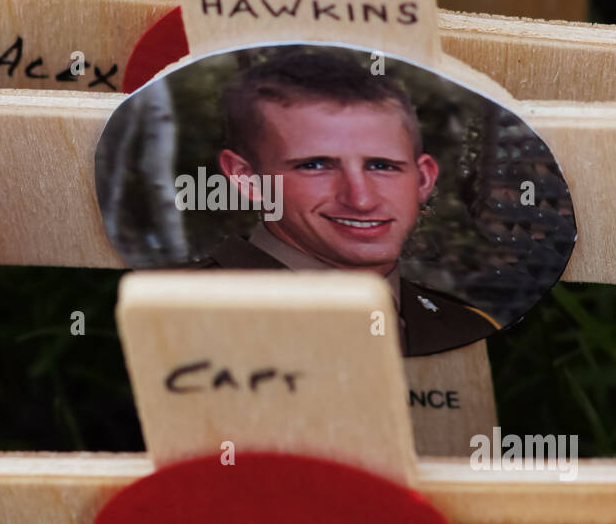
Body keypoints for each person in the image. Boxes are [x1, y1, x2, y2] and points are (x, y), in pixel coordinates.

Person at [209, 48, 499, 358]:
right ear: (248, 179)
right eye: (315, 165)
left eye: (382, 166)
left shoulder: (470, 329)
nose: (360, 200)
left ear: (423, 180)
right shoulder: (166, 316)